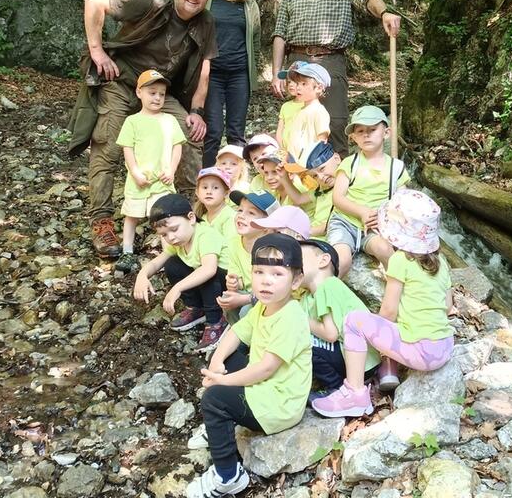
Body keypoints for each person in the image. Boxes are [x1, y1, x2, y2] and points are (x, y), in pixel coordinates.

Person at [68, 0, 218, 260]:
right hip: (121, 82)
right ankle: (102, 221)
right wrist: (97, 51)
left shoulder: (206, 23)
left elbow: (204, 69)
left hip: (160, 92)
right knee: (108, 144)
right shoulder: (149, 4)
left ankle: (186, 214)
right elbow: (94, 1)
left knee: (189, 132)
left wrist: (197, 111)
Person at [189, 233, 311, 498]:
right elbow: (235, 333)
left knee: (213, 399)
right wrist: (218, 362)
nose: (266, 280)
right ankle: (219, 429)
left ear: (297, 280)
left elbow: (266, 368)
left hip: (279, 404)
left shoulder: (291, 316)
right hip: (265, 388)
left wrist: (221, 381)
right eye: (259, 271)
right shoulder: (264, 307)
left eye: (278, 274)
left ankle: (228, 476)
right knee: (230, 357)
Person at [312, 190, 453, 418]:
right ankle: (388, 370)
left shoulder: (400, 260)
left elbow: (388, 311)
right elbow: (447, 306)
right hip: (444, 347)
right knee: (392, 328)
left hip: (422, 353)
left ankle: (355, 393)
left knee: (354, 321)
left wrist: (374, 336)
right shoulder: (443, 262)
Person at [272, 0, 402, 154]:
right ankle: (297, 184)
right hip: (297, 62)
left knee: (336, 123)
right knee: (296, 124)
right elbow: (280, 32)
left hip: (331, 61)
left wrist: (384, 13)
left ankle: (337, 182)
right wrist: (276, 74)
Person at [132, 194, 228, 352]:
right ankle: (198, 308)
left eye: (174, 229)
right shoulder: (180, 240)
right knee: (172, 264)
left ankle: (216, 321)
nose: (171, 237)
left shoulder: (205, 235)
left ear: (191, 218)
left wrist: (177, 288)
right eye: (164, 235)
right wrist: (142, 276)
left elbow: (209, 269)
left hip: (227, 283)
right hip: (208, 280)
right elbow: (158, 262)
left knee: (207, 276)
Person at [114, 70, 185, 267]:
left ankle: (168, 254)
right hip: (139, 181)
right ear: (139, 93)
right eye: (152, 92)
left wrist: (171, 170)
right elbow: (127, 149)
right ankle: (127, 252)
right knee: (132, 215)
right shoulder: (132, 121)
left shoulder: (169, 120)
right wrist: (135, 171)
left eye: (161, 94)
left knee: (164, 216)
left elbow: (177, 146)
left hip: (162, 180)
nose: (157, 97)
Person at [328, 106, 409, 276]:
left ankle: (397, 291)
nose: (366, 134)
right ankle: (326, 295)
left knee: (385, 250)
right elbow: (337, 198)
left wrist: (383, 218)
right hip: (345, 222)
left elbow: (402, 204)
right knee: (342, 260)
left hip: (375, 225)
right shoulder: (350, 163)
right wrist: (362, 211)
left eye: (372, 130)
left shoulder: (396, 168)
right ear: (353, 137)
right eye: (360, 131)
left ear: (386, 133)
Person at [298, 238, 379, 398]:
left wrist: (300, 319)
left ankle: (337, 388)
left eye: (298, 258)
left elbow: (331, 334)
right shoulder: (306, 298)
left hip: (361, 362)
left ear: (323, 260)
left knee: (306, 345)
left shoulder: (329, 286)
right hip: (344, 356)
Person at [204, 0, 261, 168]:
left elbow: (255, 40)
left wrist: (252, 74)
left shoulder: (249, 5)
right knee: (213, 130)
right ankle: (207, 180)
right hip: (212, 75)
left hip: (239, 75)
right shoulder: (208, 1)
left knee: (236, 132)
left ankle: (236, 183)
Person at [217, 190, 278, 323]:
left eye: (251, 213)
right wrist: (233, 283)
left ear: (267, 227)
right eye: (240, 210)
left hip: (271, 298)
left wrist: (245, 299)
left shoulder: (273, 251)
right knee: (227, 298)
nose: (242, 216)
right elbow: (237, 277)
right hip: (248, 292)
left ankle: (256, 339)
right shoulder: (234, 242)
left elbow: (274, 291)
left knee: (246, 311)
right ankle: (238, 334)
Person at [275, 60, 331, 158]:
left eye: (304, 84)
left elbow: (322, 140)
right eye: (298, 83)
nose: (298, 88)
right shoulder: (300, 111)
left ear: (318, 88)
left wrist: (312, 162)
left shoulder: (318, 111)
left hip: (308, 164)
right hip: (293, 161)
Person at [284, 140, 339, 237]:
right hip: (314, 234)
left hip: (329, 238)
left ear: (337, 158)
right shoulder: (322, 189)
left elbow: (332, 225)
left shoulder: (349, 186)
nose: (321, 177)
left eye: (322, 169)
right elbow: (299, 199)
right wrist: (283, 177)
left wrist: (302, 233)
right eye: (315, 176)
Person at [195, 167, 236, 240]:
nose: (209, 191)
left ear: (226, 193)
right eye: (205, 187)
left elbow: (231, 247)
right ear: (197, 192)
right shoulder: (201, 218)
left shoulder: (229, 217)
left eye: (215, 188)